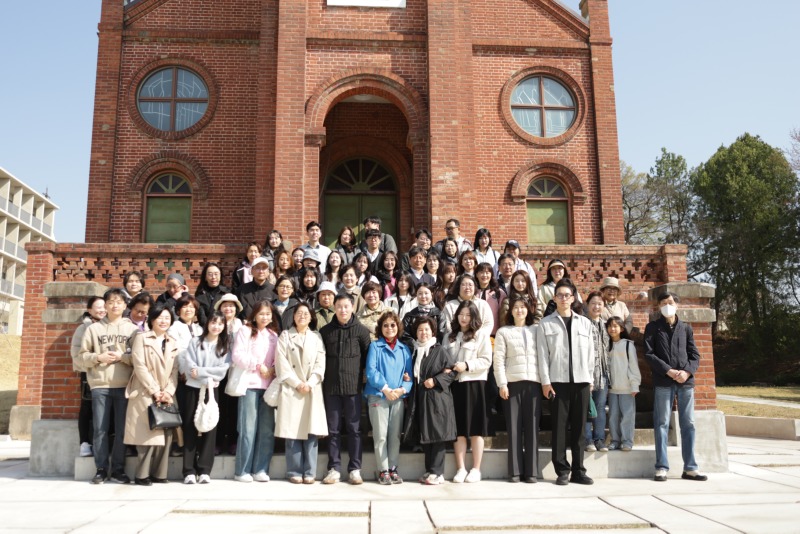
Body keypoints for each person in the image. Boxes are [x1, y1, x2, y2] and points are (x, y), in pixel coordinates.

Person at [537, 279, 595, 486]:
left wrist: (590, 379)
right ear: (554, 298)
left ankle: (579, 470)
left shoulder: (585, 323)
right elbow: (542, 355)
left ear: (573, 298)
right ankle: (562, 470)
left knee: (579, 429)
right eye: (559, 295)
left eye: (567, 295)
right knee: (559, 429)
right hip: (557, 383)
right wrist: (545, 382)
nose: (563, 298)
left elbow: (591, 354)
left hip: (581, 382)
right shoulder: (545, 324)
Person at [79, 288, 139, 485]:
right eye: (111, 302)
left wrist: (123, 357)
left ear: (125, 305)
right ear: (105, 305)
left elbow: (139, 358)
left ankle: (119, 469)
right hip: (100, 385)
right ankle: (101, 469)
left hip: (124, 386)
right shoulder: (93, 329)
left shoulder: (132, 330)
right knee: (100, 429)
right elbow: (81, 357)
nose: (115, 305)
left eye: (119, 302)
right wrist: (99, 357)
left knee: (122, 430)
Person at [644, 292, 706, 482]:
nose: (667, 305)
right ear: (658, 307)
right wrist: (668, 371)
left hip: (685, 383)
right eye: (663, 303)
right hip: (663, 381)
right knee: (662, 423)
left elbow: (694, 355)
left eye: (670, 302)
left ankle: (690, 468)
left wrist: (686, 372)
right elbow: (649, 354)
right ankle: (661, 467)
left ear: (677, 305)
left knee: (689, 424)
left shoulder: (685, 328)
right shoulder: (653, 327)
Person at [124, 304, 180, 486]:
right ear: (152, 319)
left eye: (167, 318)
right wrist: (155, 390)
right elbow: (139, 366)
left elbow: (175, 370)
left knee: (166, 433)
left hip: (166, 393)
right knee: (147, 435)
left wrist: (168, 391)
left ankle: (159, 474)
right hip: (145, 391)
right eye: (160, 317)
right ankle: (142, 475)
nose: (164, 321)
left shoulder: (172, 342)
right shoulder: (142, 338)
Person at [319, 294, 372, 485]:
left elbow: (368, 358)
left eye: (346, 306)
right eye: (339, 306)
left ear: (352, 308)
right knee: (333, 430)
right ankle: (334, 468)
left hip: (353, 388)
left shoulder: (362, 331)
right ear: (334, 307)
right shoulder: (325, 331)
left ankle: (355, 469)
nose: (343, 310)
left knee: (354, 429)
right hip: (331, 388)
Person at [275, 303, 328, 484]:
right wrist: (297, 383)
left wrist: (310, 383)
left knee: (312, 432)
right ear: (293, 316)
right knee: (292, 431)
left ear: (311, 317)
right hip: (292, 388)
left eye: (306, 313)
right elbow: (281, 363)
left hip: (311, 388)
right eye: (299, 313)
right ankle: (294, 470)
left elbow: (320, 363)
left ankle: (310, 471)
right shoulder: (285, 336)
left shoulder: (316, 337)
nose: (302, 316)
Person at [231, 301, 280, 482]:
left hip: (268, 388)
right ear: (254, 315)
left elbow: (277, 358)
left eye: (268, 314)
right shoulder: (245, 331)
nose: (265, 317)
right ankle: (242, 471)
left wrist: (273, 369)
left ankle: (261, 469)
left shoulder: (273, 335)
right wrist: (258, 366)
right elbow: (237, 355)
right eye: (261, 314)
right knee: (248, 429)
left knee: (266, 430)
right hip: (249, 385)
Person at [494, 296, 541, 483]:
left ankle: (531, 472)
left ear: (528, 310)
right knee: (513, 428)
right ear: (510, 311)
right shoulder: (503, 332)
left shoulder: (536, 330)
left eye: (523, 307)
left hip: (534, 383)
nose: (519, 310)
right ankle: (514, 472)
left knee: (532, 429)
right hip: (512, 384)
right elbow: (499, 360)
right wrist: (502, 384)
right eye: (516, 307)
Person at [180, 311, 231, 484]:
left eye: (220, 323)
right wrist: (207, 376)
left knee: (210, 425)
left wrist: (201, 373)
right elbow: (190, 367)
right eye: (213, 322)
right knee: (190, 426)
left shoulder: (224, 345)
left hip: (211, 390)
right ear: (207, 323)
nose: (216, 326)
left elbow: (222, 370)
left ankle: (204, 470)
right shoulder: (195, 342)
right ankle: (188, 470)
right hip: (192, 389)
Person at [445, 301, 492, 483]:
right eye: (461, 314)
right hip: (455, 385)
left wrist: (467, 365)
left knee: (475, 429)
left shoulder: (480, 335)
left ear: (473, 317)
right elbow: (444, 358)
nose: (464, 318)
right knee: (459, 430)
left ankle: (476, 469)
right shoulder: (450, 336)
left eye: (468, 315)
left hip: (474, 384)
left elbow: (486, 360)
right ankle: (461, 468)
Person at [406, 316, 457, 485]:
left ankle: (438, 472)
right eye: (420, 330)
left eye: (426, 329)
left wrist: (435, 380)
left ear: (433, 331)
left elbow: (452, 372)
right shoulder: (415, 351)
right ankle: (430, 470)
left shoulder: (439, 350)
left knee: (438, 435)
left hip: (438, 399)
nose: (423, 333)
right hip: (422, 398)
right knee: (426, 435)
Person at [364, 310, 413, 484]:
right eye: (385, 325)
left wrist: (402, 390)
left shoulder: (404, 349)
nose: (389, 328)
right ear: (380, 328)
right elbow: (371, 371)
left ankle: (393, 468)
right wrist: (385, 389)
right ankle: (383, 470)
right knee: (381, 435)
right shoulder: (375, 347)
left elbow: (409, 375)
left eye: (393, 325)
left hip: (397, 398)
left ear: (398, 327)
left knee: (395, 435)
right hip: (379, 396)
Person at [70, 296, 106, 458]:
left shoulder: (112, 326)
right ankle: (84, 443)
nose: (102, 310)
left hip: (109, 375)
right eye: (98, 307)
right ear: (89, 310)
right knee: (87, 407)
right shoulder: (83, 328)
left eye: (104, 306)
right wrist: (94, 363)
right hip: (89, 373)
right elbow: (76, 354)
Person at [606, 316, 640, 452]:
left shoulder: (628, 345)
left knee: (627, 416)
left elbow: (633, 366)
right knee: (613, 416)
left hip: (627, 388)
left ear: (621, 328)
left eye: (615, 326)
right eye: (610, 326)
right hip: (612, 389)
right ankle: (615, 440)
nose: (612, 329)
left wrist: (634, 384)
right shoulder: (606, 345)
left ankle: (627, 441)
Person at [584, 291, 610, 453]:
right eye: (593, 303)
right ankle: (587, 439)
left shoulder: (607, 325)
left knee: (600, 407)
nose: (596, 306)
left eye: (599, 303)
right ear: (587, 305)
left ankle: (599, 439)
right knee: (586, 407)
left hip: (603, 374)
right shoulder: (582, 323)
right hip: (586, 373)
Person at [439, 274, 494, 340]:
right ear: (458, 287)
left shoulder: (483, 304)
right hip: (456, 341)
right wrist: (460, 337)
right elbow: (447, 326)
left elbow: (488, 324)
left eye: (470, 285)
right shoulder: (450, 306)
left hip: (479, 340)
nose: (467, 288)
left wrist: (477, 337)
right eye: (464, 285)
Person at [195, 262, 230, 326]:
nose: (213, 277)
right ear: (205, 277)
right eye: (210, 274)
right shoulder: (200, 294)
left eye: (216, 274)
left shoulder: (227, 293)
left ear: (220, 276)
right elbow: (201, 317)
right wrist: (210, 328)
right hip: (205, 327)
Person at [475, 262, 505, 337]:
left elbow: (503, 315)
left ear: (491, 275)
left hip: (494, 334)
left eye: (487, 272)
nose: (484, 275)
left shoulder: (499, 292)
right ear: (476, 274)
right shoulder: (472, 292)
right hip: (475, 334)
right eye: (481, 272)